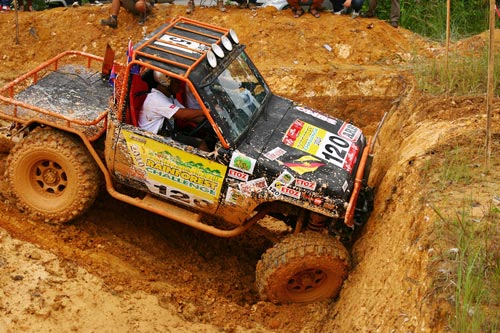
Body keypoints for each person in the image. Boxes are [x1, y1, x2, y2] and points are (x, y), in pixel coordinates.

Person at [138, 71, 209, 151]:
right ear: (166, 82)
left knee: (200, 140)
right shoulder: (156, 99)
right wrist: (207, 111)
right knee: (200, 145)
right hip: (154, 141)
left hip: (167, 136)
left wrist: (207, 121)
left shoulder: (169, 97)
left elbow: (186, 113)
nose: (179, 85)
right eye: (177, 82)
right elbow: (182, 115)